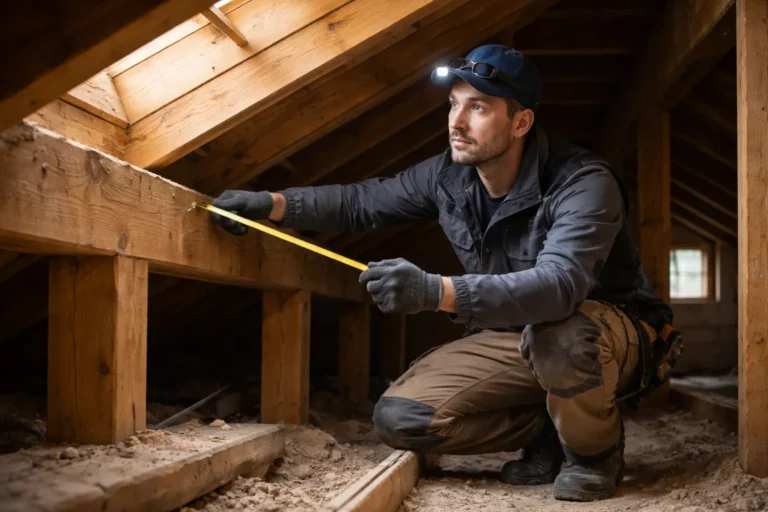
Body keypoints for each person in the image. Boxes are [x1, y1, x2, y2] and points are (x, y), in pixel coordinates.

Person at [210, 44, 677, 502]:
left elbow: (558, 289)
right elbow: (360, 202)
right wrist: (271, 205)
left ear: (521, 122)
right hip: (520, 335)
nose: (455, 121)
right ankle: (553, 428)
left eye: (477, 107)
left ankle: (594, 456)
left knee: (562, 336)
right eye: (454, 104)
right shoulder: (446, 177)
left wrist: (437, 291)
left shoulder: (583, 182)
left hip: (608, 334)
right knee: (401, 419)